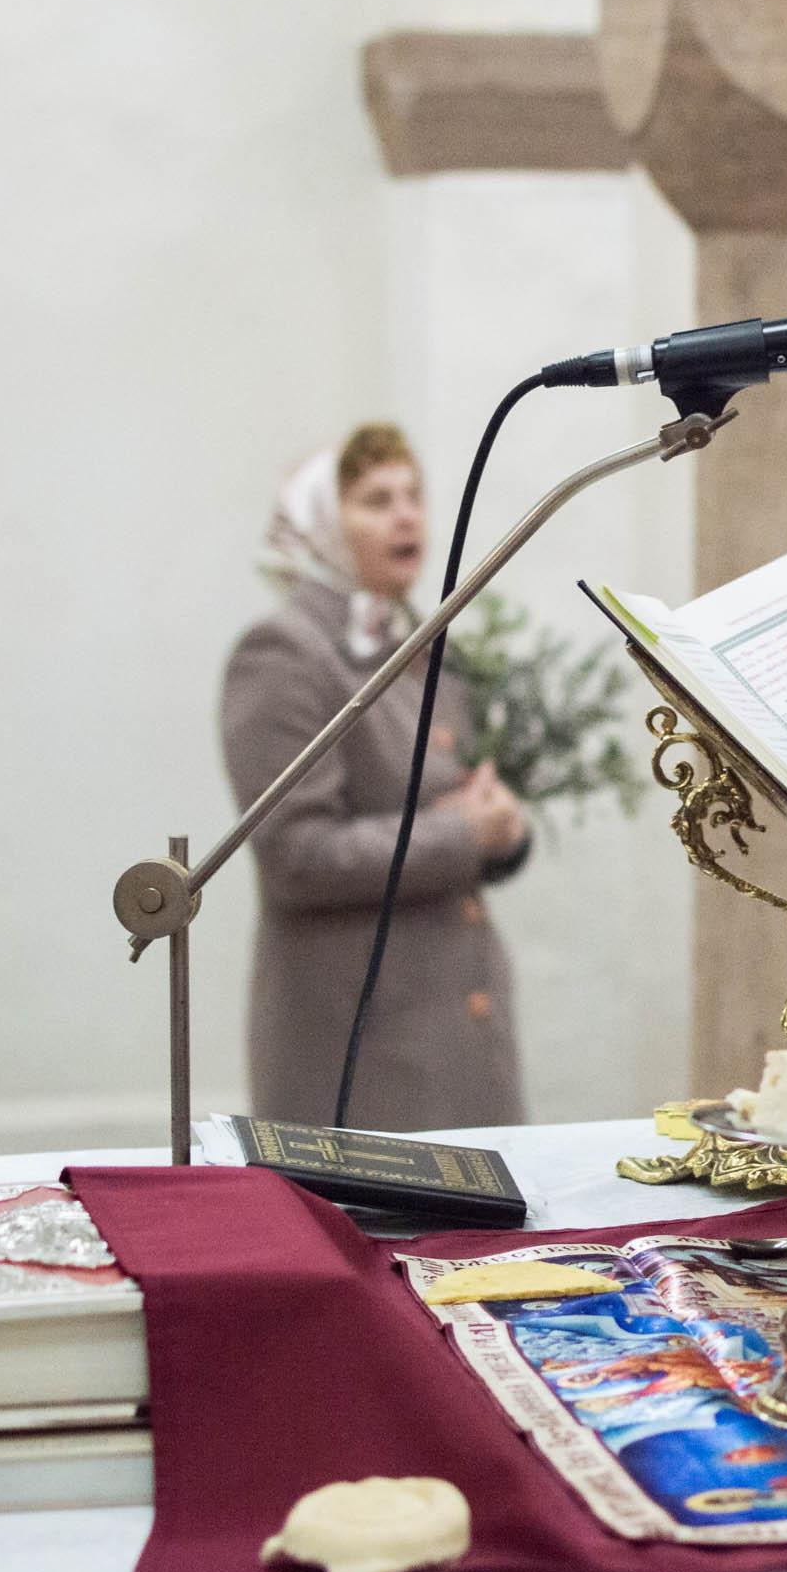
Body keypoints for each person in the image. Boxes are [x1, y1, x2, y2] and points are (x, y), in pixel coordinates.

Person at [223, 422, 529, 1131]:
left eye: (413, 495)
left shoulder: (421, 643)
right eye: (375, 500)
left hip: (459, 1034)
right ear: (322, 526)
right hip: (364, 1052)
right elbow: (297, 857)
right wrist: (464, 832)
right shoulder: (283, 653)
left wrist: (505, 830)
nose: (406, 515)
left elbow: (455, 802)